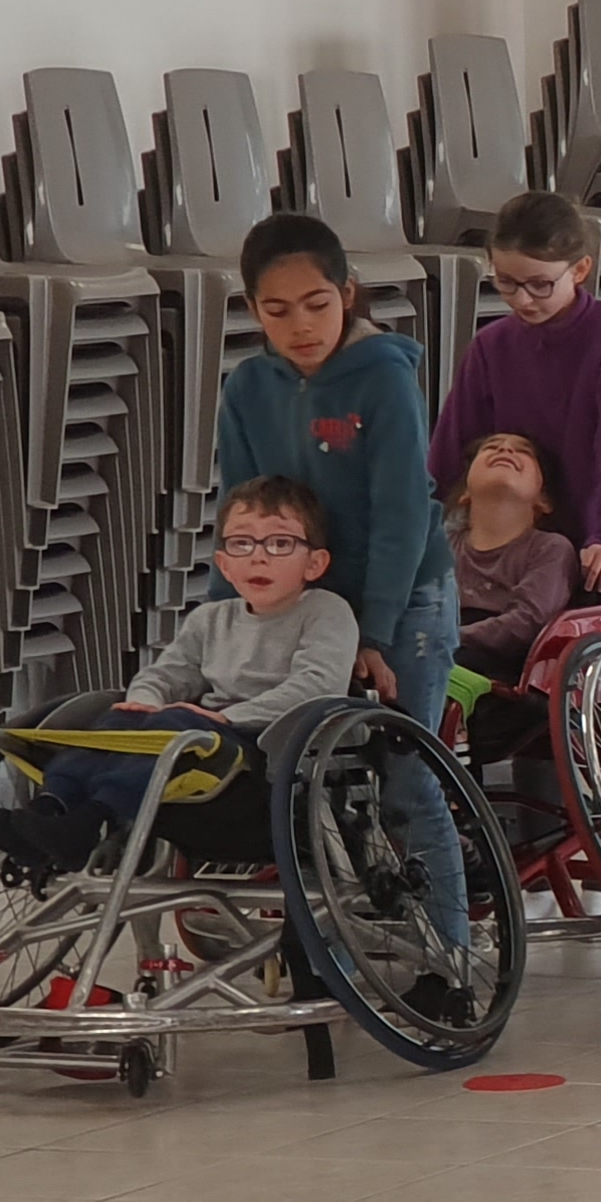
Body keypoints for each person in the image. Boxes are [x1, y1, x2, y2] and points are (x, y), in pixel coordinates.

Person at [217, 213, 465, 937]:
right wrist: (224, 621)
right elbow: (243, 519)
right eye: (277, 309)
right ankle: (332, 938)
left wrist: (375, 632)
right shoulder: (247, 388)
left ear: (348, 294)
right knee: (297, 773)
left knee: (405, 777)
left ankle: (451, 955)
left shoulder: (383, 378)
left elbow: (401, 514)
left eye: (318, 304)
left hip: (404, 596)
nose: (301, 325)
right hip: (309, 601)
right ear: (252, 310)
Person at [0, 480, 358, 873]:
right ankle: (49, 810)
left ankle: (91, 820)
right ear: (224, 563)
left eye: (280, 544)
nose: (258, 558)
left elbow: (318, 686)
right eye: (242, 544)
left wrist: (231, 716)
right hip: (197, 737)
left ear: (314, 563)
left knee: (173, 724)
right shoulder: (210, 618)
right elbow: (167, 672)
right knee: (121, 720)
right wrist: (144, 701)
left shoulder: (324, 612)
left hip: (263, 752)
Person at [428, 192, 601, 637]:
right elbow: (450, 449)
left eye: (540, 284)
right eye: (507, 283)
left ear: (580, 270)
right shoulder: (492, 345)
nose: (523, 299)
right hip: (525, 548)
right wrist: (414, 530)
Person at [448, 434, 580, 688]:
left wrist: (451, 637)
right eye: (491, 447)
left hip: (503, 668)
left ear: (544, 500)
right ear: (465, 492)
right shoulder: (444, 544)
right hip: (442, 647)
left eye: (523, 452)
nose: (505, 449)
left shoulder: (550, 549)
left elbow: (527, 622)